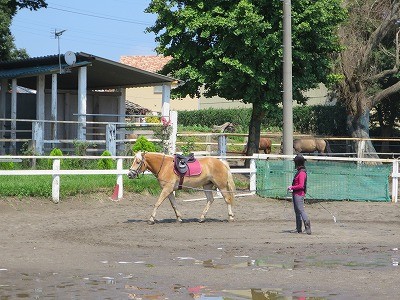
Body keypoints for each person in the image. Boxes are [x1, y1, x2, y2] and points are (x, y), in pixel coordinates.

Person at [287, 154, 311, 235]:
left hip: (299, 194)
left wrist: (292, 187)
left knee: (301, 211)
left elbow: (301, 185)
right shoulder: (300, 171)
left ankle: (307, 227)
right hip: (296, 194)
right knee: (297, 211)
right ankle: (298, 229)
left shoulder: (301, 173)